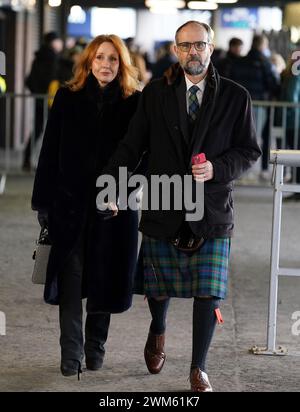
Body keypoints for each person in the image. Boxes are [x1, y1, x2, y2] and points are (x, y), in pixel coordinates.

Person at [102, 21, 261, 392]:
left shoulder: (236, 96)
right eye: (186, 46)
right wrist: (111, 184)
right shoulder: (155, 94)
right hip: (164, 200)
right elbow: (132, 146)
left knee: (209, 290)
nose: (193, 52)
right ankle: (158, 328)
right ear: (176, 50)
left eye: (200, 45)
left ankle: (198, 368)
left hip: (211, 205)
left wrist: (217, 169)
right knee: (158, 289)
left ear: (210, 47)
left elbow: (249, 150)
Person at [31, 34, 141, 379]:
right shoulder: (67, 97)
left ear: (121, 65)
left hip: (114, 207)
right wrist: (43, 202)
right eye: (99, 58)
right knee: (71, 277)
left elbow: (141, 157)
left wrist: (122, 195)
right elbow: (49, 152)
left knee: (103, 278)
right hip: (70, 204)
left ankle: (95, 349)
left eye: (112, 59)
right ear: (88, 62)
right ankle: (71, 353)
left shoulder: (134, 102)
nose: (105, 65)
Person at [23, 31, 63, 171]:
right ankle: (52, 163)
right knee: (57, 131)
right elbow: (53, 78)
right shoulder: (53, 58)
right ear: (53, 42)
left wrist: (37, 92)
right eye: (58, 41)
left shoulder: (38, 57)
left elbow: (29, 80)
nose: (61, 44)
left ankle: (27, 160)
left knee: (38, 129)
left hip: (40, 100)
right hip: (51, 99)